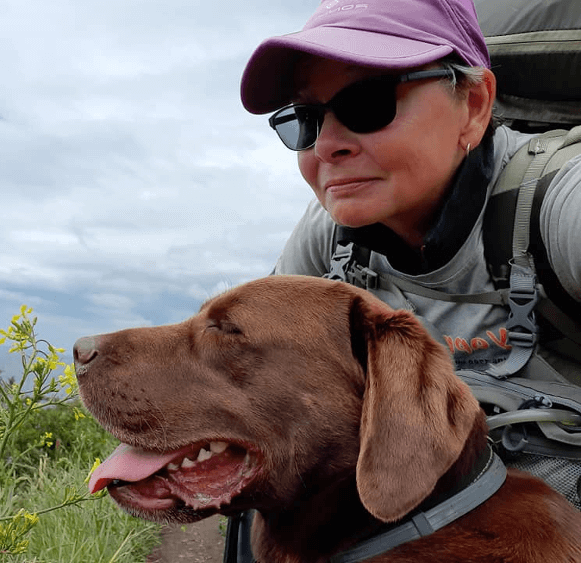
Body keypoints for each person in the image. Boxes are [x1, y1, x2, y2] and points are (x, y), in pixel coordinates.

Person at [226, 0, 581, 560]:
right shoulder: (333, 234)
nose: (326, 146)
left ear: (475, 105)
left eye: (367, 104)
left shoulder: (556, 202)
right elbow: (248, 360)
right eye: (305, 120)